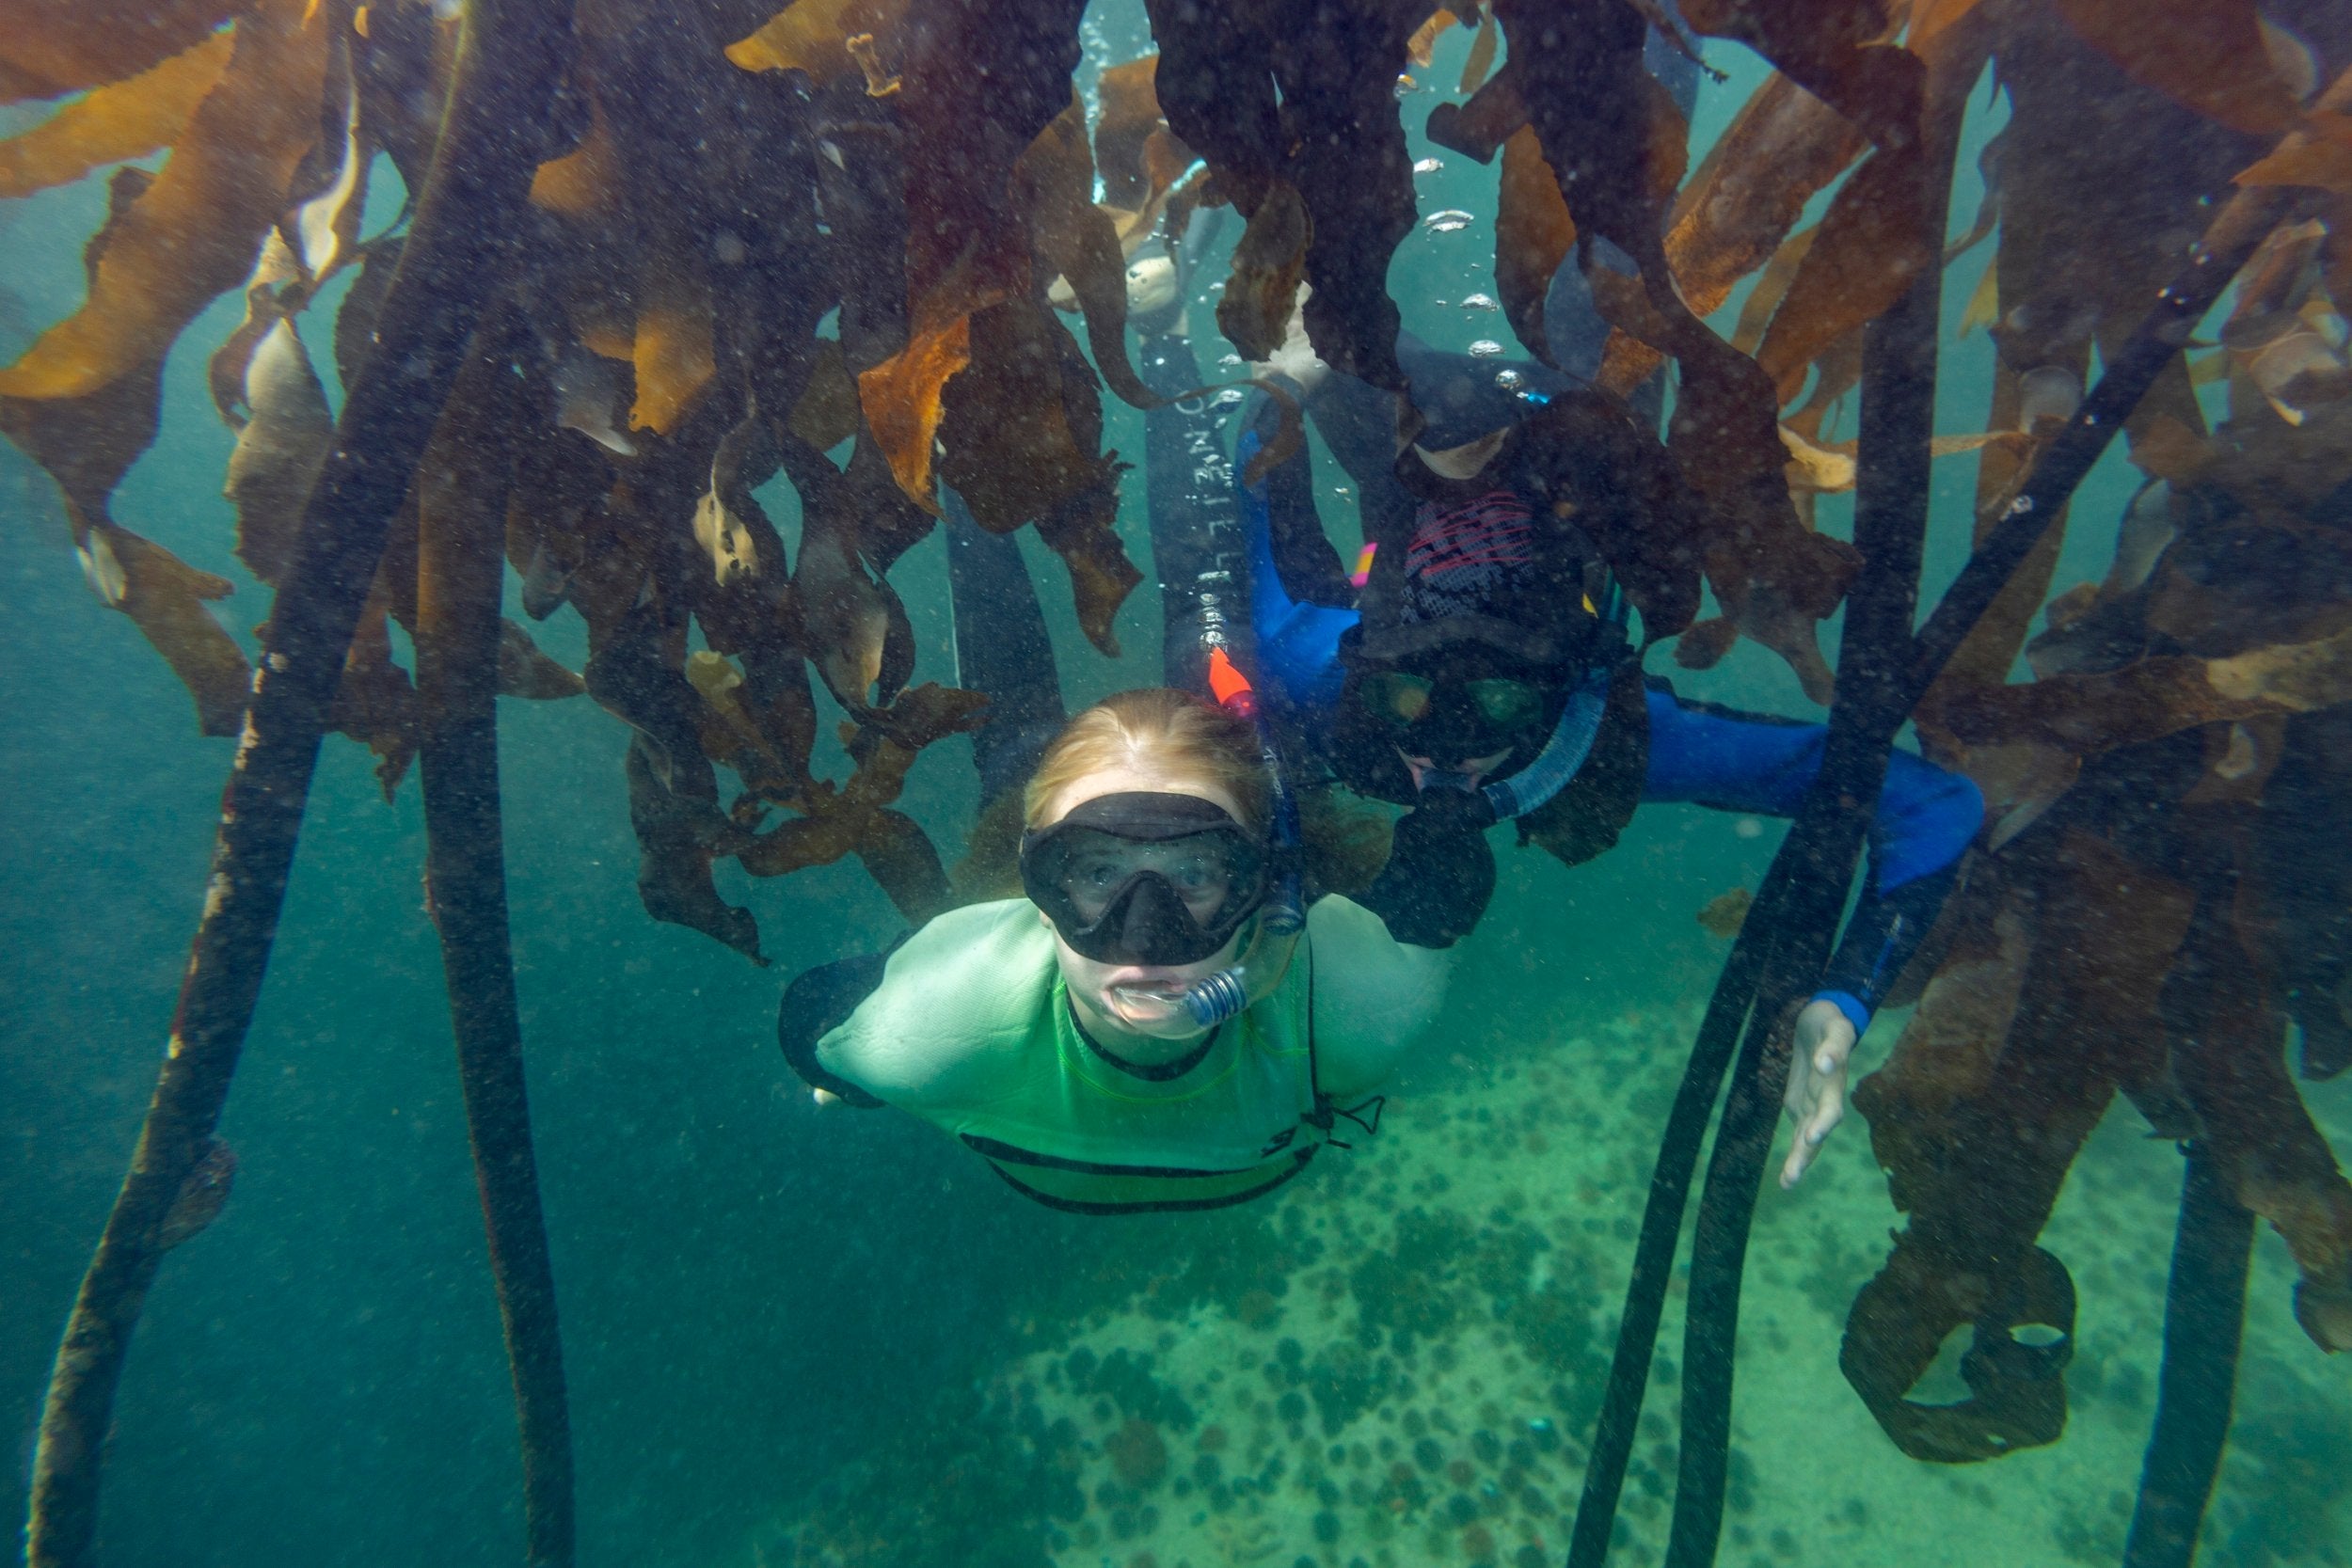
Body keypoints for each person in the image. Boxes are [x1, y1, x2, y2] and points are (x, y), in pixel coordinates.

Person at [1231, 332, 1986, 1190]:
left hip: (1510, 459)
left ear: (1563, 689)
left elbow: (1260, 541)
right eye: (1407, 697)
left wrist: (1280, 389)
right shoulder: (1587, 748)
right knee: (1602, 360)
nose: (1444, 743)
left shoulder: (1340, 686)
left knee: (1479, 390)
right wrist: (1844, 997)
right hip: (1545, 468)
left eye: (1502, 702)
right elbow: (1934, 804)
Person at [777, 687, 1464, 1213]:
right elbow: (809, 1022)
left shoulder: (1358, 1010)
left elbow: (1442, 887)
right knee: (1013, 733)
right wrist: (847, 1074)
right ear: (1038, 891)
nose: (1145, 938)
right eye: (1098, 872)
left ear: (1261, 887)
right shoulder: (921, 1031)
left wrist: (844, 1078)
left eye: (1195, 874)